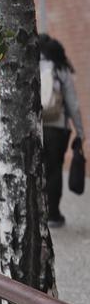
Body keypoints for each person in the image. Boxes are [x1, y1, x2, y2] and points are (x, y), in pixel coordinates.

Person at [38, 34, 85, 227]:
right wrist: (80, 132)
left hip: (35, 126)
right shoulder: (60, 68)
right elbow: (73, 103)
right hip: (57, 129)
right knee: (54, 169)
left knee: (37, 169)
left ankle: (37, 212)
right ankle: (53, 215)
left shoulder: (32, 65)